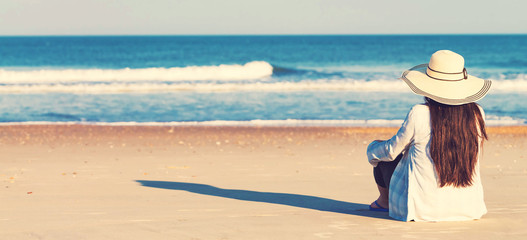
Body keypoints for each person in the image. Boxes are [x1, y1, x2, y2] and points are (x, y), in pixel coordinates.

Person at [366, 50, 492, 222]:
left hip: (421, 211)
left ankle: (384, 202)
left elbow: (391, 151)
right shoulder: (477, 113)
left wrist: (371, 150)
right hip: (469, 209)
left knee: (383, 155)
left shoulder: (419, 113)